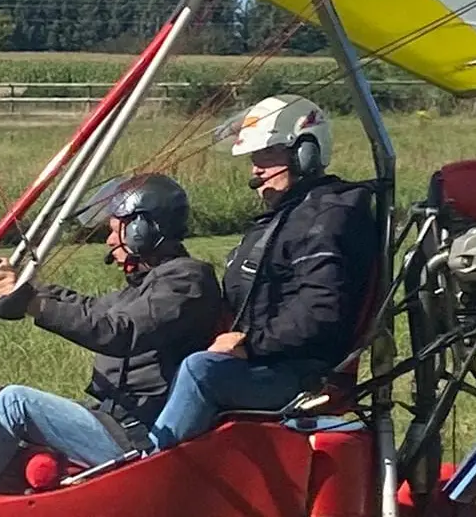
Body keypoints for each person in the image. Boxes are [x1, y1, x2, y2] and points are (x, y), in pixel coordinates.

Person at [0, 173, 224, 492]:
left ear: (143, 229)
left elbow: (117, 331)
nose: (111, 241)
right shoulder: (149, 283)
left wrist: (31, 302)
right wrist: (28, 290)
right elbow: (94, 308)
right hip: (113, 419)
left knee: (13, 402)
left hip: (136, 436)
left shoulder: (186, 282)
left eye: (115, 230)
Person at [146, 94, 379, 452]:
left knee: (200, 370)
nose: (256, 169)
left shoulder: (328, 216)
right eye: (254, 158)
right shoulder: (289, 214)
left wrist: (249, 344)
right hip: (273, 363)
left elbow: (320, 311)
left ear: (306, 153)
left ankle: (150, 470)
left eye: (267, 155)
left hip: (302, 373)